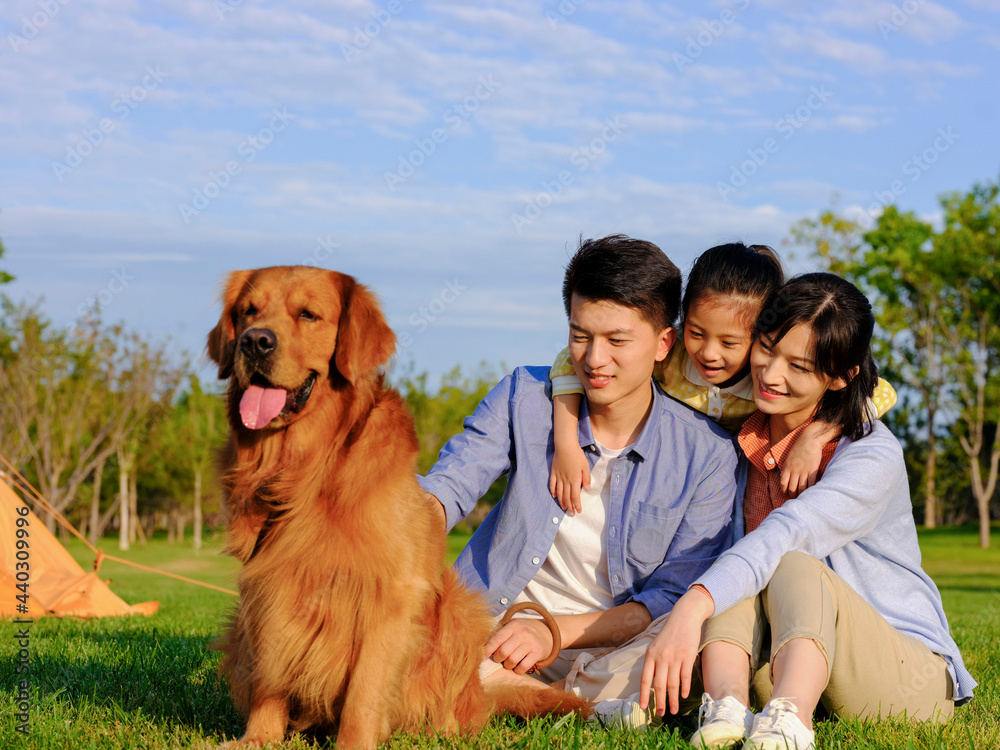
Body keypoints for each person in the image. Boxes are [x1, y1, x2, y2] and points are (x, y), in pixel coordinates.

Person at [633, 273, 976, 749]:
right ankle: (727, 708)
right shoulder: (742, 438)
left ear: (840, 376)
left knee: (786, 557)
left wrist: (694, 605)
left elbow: (789, 532)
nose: (771, 374)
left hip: (904, 678)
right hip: (790, 656)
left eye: (799, 365)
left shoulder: (870, 454)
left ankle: (791, 721)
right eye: (767, 349)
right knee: (735, 566)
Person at [418, 234, 738, 703]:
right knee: (418, 633)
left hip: (613, 644)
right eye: (580, 335)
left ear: (663, 343)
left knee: (684, 646)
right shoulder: (524, 396)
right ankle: (540, 694)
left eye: (617, 340)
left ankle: (526, 693)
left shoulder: (706, 453)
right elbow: (452, 483)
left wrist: (552, 634)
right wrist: (406, 523)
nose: (594, 359)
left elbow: (670, 594)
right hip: (493, 626)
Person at [547, 242, 897, 516]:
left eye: (730, 342)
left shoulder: (765, 381)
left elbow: (881, 393)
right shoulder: (671, 358)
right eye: (696, 332)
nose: (709, 353)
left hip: (731, 483)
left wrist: (815, 435)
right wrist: (566, 444)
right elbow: (568, 360)